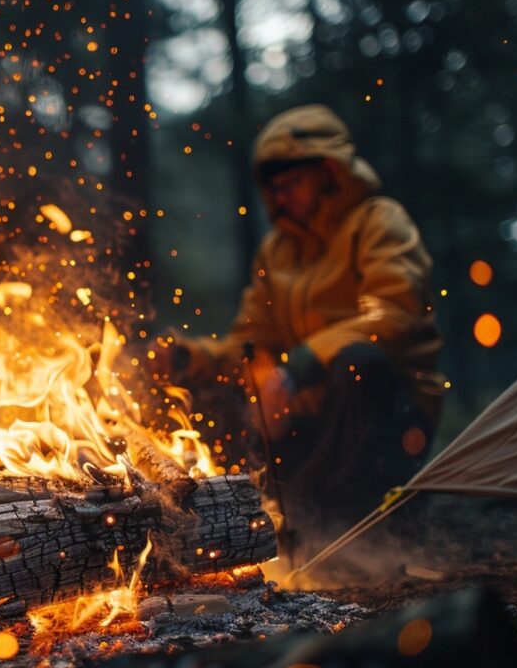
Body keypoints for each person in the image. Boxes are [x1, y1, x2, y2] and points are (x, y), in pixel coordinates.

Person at [153, 104, 445, 560]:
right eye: (275, 189)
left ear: (329, 169)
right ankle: (250, 519)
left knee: (359, 364)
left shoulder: (378, 221)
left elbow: (394, 315)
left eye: (292, 184)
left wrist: (299, 366)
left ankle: (340, 522)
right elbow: (251, 343)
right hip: (308, 416)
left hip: (391, 413)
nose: (281, 198)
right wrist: (194, 360)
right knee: (210, 394)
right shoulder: (278, 251)